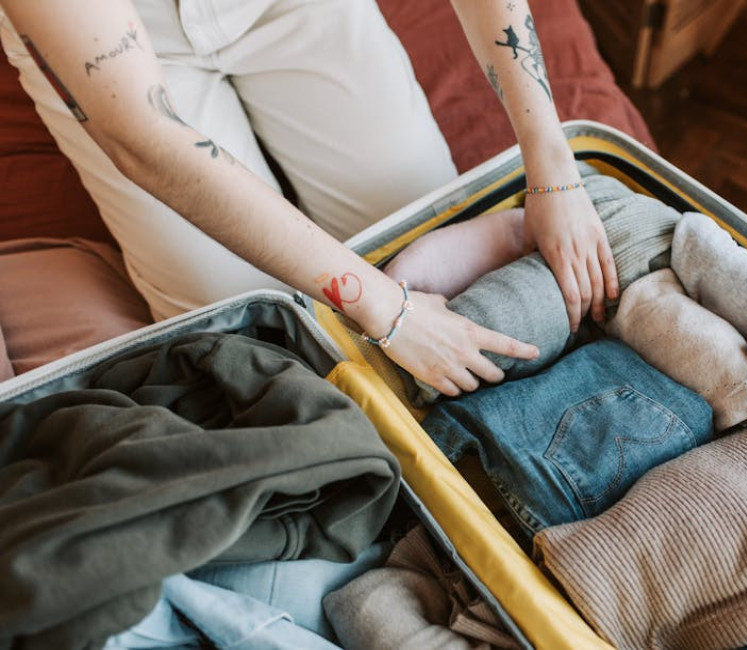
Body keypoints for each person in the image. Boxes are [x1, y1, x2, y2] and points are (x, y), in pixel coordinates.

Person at [0, 0, 619, 398]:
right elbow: (145, 137)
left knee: (426, 230)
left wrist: (551, 163)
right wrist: (386, 311)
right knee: (243, 331)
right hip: (120, 51)